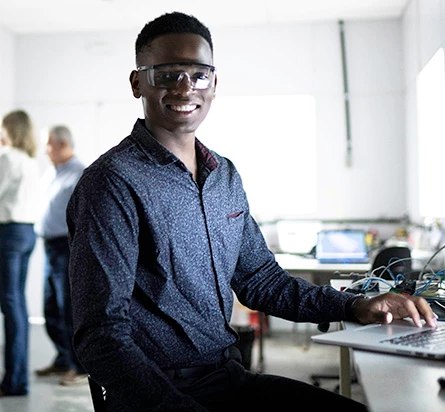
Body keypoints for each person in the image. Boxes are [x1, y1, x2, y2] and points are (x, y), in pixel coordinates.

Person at [66, 12, 437, 411]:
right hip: (158, 393)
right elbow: (101, 336)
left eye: (198, 74)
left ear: (214, 82)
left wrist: (354, 305)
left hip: (226, 377)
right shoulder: (111, 183)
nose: (185, 86)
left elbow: (261, 280)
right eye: (167, 73)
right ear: (138, 81)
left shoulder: (223, 176)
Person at [34, 125, 87, 386]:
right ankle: (62, 358)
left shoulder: (79, 173)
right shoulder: (52, 174)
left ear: (63, 145)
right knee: (50, 307)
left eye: (48, 145)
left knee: (68, 309)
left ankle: (78, 367)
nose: (45, 151)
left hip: (66, 248)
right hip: (49, 248)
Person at [0, 109, 39, 397]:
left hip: (8, 233)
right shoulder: (29, 161)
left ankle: (14, 381)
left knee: (11, 306)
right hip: (27, 233)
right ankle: (17, 378)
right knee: (18, 306)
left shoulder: (7, 158)